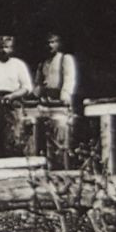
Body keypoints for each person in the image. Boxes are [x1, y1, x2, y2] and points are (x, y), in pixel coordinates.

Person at [36, 34, 79, 165]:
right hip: (46, 102)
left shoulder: (65, 59)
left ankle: (62, 163)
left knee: (60, 129)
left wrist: (65, 96)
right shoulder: (44, 63)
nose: (50, 45)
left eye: (53, 42)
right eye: (48, 43)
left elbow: (69, 78)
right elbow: (38, 83)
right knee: (43, 131)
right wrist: (38, 92)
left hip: (60, 102)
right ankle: (47, 162)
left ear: (59, 43)